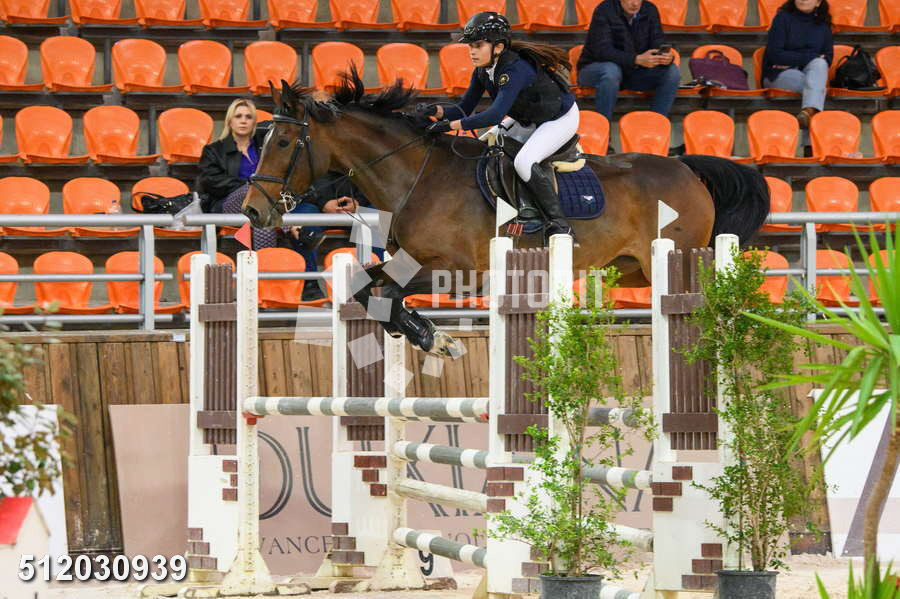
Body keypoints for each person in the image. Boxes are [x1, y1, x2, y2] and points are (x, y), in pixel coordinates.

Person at [423, 11, 579, 241]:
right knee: (483, 145)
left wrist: (449, 126)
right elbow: (464, 108)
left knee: (524, 161)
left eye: (478, 45)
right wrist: (435, 112)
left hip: (558, 119)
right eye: (470, 46)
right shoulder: (483, 71)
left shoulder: (515, 69)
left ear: (498, 47)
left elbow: (495, 115)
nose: (472, 51)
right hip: (527, 117)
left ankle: (560, 225)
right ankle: (520, 207)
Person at [197, 98, 284, 249]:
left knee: (262, 218)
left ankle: (264, 261)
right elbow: (211, 182)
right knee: (255, 189)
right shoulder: (214, 150)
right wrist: (248, 185)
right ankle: (293, 227)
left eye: (248, 117)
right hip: (227, 204)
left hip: (262, 206)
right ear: (230, 121)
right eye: (238, 116)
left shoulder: (264, 148)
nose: (243, 121)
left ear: (254, 122)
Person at [575, 0, 680, 123]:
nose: (635, 3)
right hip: (594, 69)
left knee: (671, 72)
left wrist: (665, 57)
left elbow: (658, 42)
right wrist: (636, 59)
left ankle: (654, 126)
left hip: (632, 71)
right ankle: (603, 128)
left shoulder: (650, 9)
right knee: (611, 71)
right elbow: (602, 51)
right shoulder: (604, 10)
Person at [762, 0, 833, 129]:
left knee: (820, 64)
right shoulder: (782, 18)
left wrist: (792, 59)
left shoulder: (823, 24)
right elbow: (775, 55)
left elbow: (828, 57)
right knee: (816, 87)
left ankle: (808, 112)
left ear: (818, 3)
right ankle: (811, 117)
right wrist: (812, 56)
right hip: (778, 74)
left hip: (809, 72)